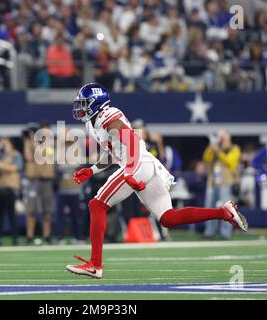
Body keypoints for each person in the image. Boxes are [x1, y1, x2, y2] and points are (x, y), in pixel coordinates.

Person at [66, 83, 247, 279]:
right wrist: (92, 170)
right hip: (142, 164)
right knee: (168, 218)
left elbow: (131, 143)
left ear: (96, 103)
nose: (80, 108)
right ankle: (224, 212)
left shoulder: (107, 115)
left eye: (84, 103)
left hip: (136, 164)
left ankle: (95, 264)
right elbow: (113, 151)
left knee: (96, 205)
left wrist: (129, 172)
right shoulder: (94, 123)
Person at [202, 129, 242, 239]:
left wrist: (218, 151)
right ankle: (209, 231)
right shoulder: (214, 149)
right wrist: (211, 146)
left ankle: (225, 233)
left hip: (227, 183)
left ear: (228, 137)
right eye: (220, 137)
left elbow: (230, 162)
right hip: (212, 182)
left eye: (223, 136)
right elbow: (206, 159)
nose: (222, 139)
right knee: (209, 209)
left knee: (227, 209)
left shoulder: (234, 149)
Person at [0, 137, 23, 246]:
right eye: (2, 144)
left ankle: (15, 239)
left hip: (12, 189)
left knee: (12, 215)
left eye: (6, 144)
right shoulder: (0, 155)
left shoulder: (16, 155)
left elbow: (14, 168)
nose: (4, 146)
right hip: (0, 188)